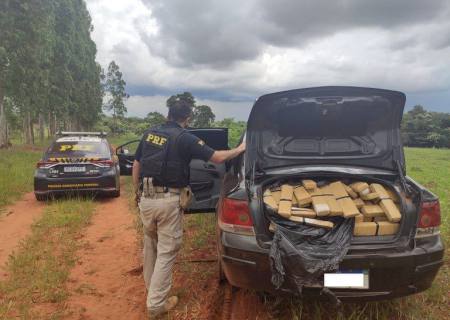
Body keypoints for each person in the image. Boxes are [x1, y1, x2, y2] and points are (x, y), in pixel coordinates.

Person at [132, 100, 245, 317]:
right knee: (167, 250)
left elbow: (137, 164)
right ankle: (156, 304)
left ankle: (151, 290)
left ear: (168, 114)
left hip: (146, 199)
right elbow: (218, 158)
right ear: (187, 119)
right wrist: (239, 149)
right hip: (167, 201)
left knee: (150, 246)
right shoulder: (185, 137)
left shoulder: (150, 133)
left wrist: (137, 193)